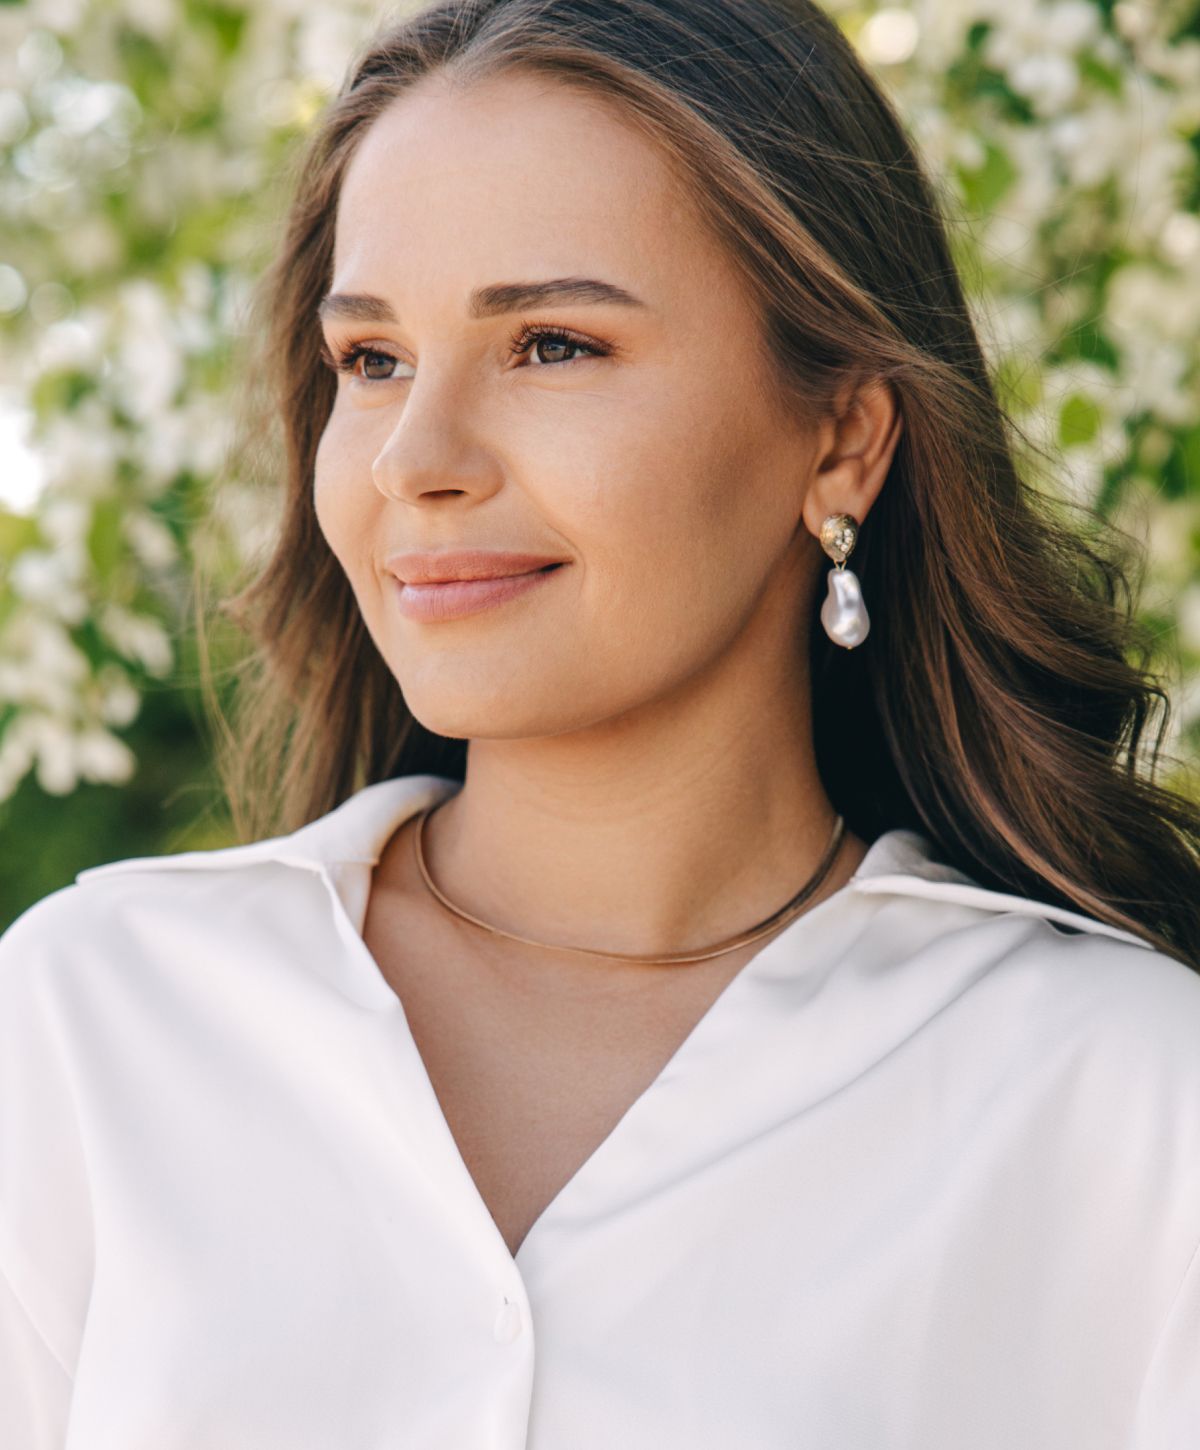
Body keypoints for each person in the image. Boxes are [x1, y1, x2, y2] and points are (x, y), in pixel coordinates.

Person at [2, 0, 1199, 1445]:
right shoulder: (89, 1022)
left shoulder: (1126, 1102)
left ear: (844, 436)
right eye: (371, 360)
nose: (417, 459)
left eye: (552, 344)